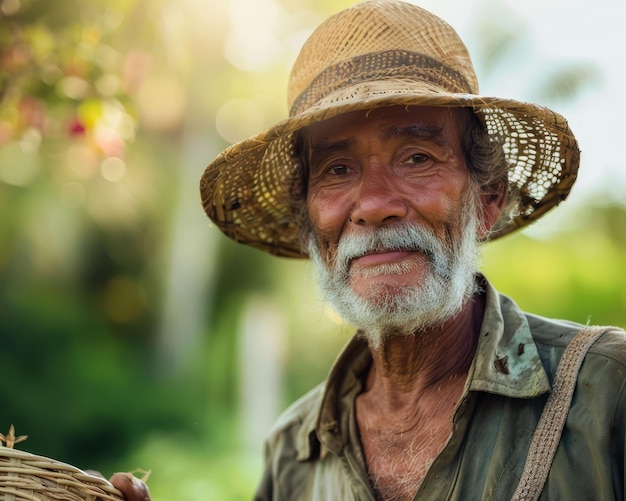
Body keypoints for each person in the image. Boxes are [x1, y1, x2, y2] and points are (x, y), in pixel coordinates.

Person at [121, 1, 626, 500]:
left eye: (417, 157)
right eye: (338, 170)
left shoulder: (608, 393)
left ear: (487, 199)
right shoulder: (295, 451)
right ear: (307, 226)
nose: (376, 204)